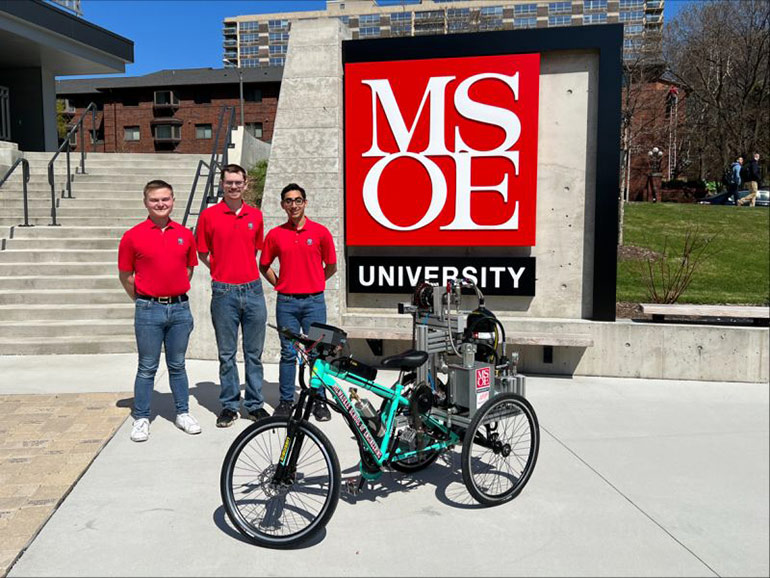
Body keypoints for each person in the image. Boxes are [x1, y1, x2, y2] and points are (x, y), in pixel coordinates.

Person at [118, 180, 201, 443]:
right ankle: (142, 417)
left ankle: (182, 412)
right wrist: (145, 299)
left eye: (165, 199)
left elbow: (189, 269)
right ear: (146, 203)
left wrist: (171, 292)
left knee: (177, 365)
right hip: (149, 310)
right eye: (155, 200)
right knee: (147, 367)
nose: (161, 204)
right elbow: (126, 275)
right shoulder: (133, 236)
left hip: (179, 308)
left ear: (173, 201)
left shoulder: (185, 234)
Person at [196, 164, 269, 427]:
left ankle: (254, 404)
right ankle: (229, 405)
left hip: (252, 289)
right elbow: (202, 252)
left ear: (246, 184)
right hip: (223, 291)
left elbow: (256, 249)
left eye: (238, 182)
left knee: (253, 353)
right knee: (227, 353)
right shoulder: (209, 216)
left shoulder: (256, 216)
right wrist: (219, 269)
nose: (234, 187)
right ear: (222, 184)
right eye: (229, 182)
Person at [259, 183, 337, 421]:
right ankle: (285, 401)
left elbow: (331, 266)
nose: (294, 205)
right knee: (288, 353)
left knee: (316, 354)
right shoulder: (275, 235)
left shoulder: (321, 232)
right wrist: (280, 283)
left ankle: (318, 401)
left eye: (298, 200)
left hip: (314, 302)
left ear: (305, 202)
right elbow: (264, 265)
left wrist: (314, 281)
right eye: (289, 201)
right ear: (283, 205)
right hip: (287, 303)